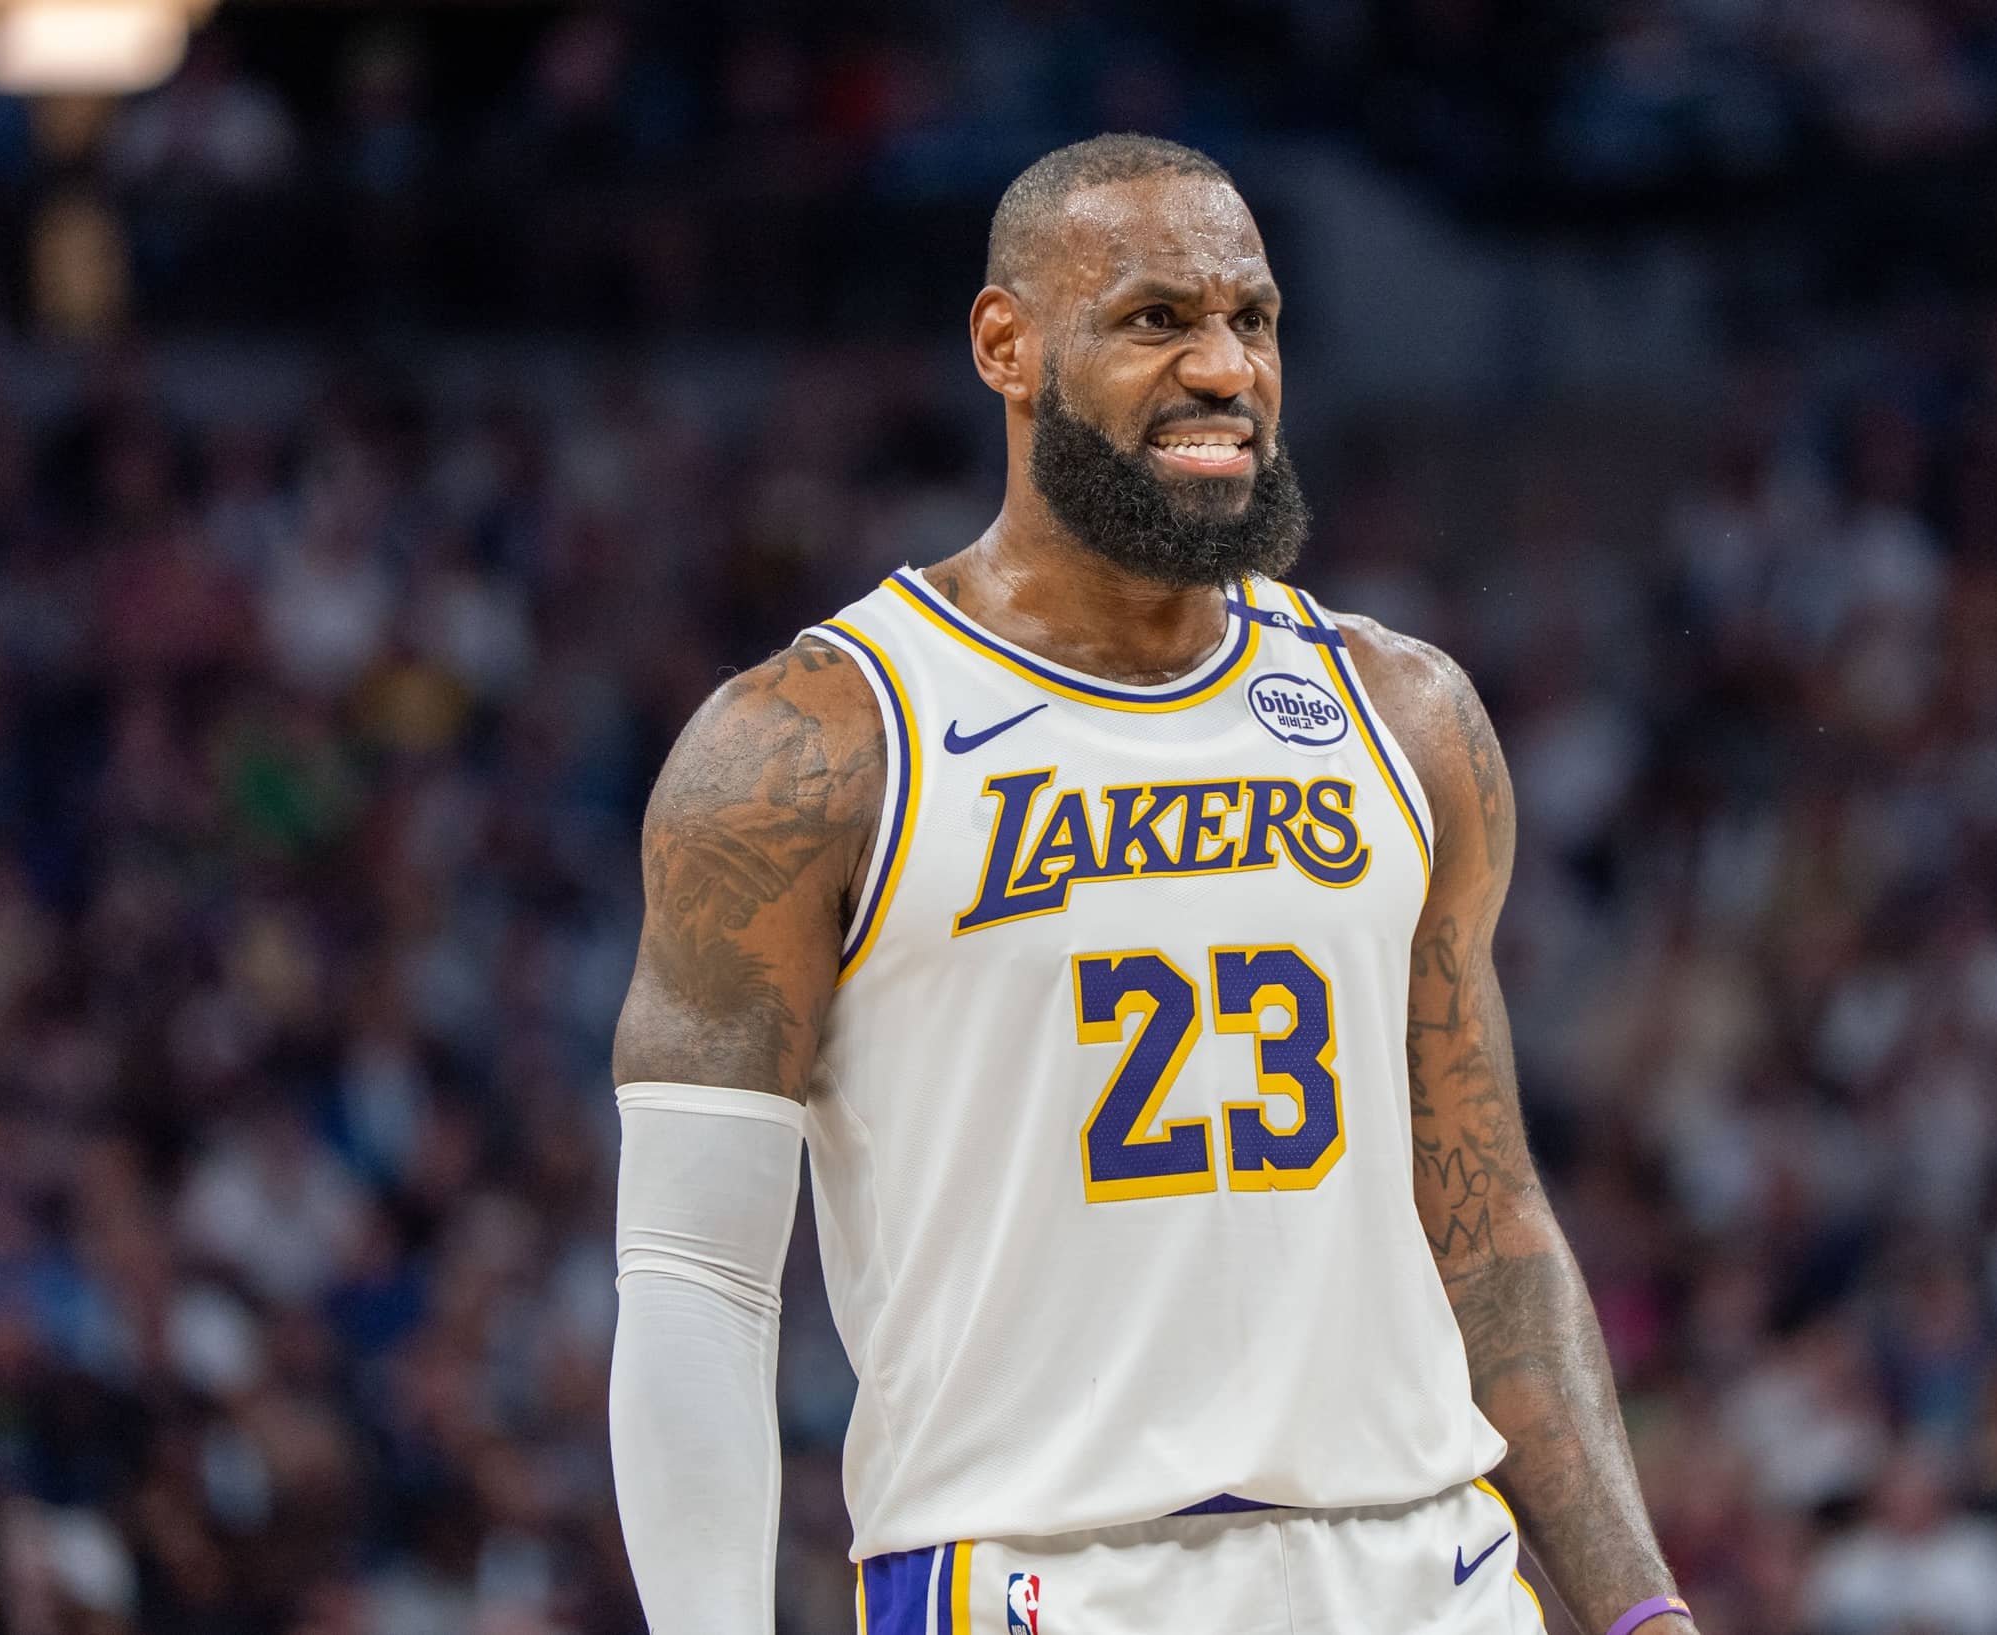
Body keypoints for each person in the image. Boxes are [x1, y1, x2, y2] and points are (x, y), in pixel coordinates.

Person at [606, 133, 1699, 1635]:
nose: (1223, 369)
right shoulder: (815, 744)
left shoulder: (1406, 715)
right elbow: (694, 1282)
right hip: (1041, 1576)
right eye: (1154, 320)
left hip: (1422, 1565)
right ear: (1007, 343)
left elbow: (1488, 1219)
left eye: (1252, 321)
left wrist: (1640, 1612)